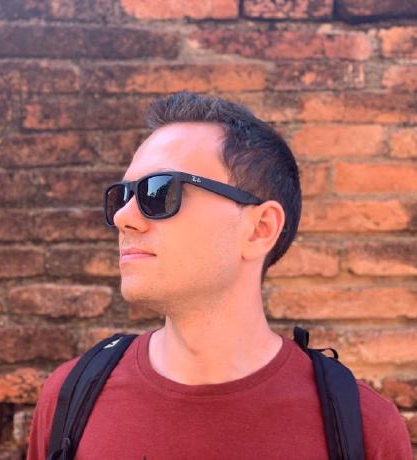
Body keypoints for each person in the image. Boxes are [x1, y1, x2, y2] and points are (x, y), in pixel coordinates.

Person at [27, 92, 412, 459]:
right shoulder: (71, 398)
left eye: (159, 192)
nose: (123, 217)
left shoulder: (362, 427)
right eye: (121, 196)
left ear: (260, 229)